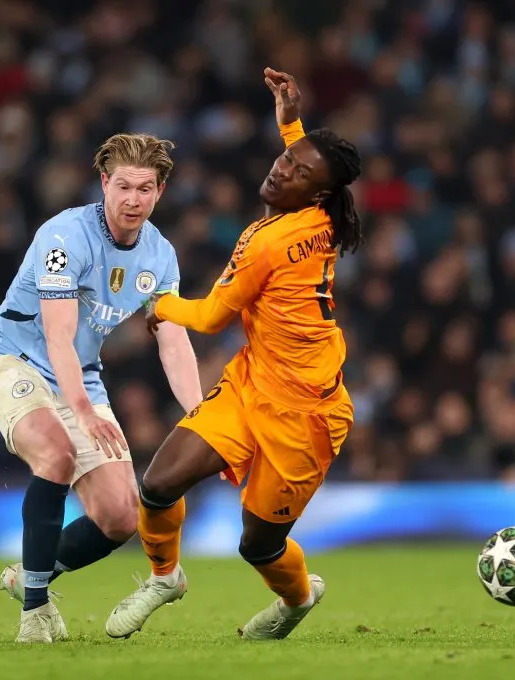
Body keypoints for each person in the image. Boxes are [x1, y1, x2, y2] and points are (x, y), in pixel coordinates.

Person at [105, 68, 362, 641]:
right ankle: (164, 577)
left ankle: (297, 601)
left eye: (296, 171)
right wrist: (290, 123)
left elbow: (212, 317)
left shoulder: (268, 241)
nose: (282, 167)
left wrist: (161, 304)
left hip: (306, 415)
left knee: (259, 545)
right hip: (252, 385)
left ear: (314, 193)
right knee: (159, 484)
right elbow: (311, 165)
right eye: (286, 159)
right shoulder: (322, 212)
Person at [0, 133, 203, 643]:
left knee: (121, 517)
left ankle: (32, 575)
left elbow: (174, 345)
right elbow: (57, 334)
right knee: (54, 452)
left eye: (145, 188)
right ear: (104, 183)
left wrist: (203, 419)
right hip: (15, 361)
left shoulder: (161, 257)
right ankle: (35, 611)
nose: (133, 199)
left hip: (82, 376)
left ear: (160, 191)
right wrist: (82, 409)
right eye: (123, 186)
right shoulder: (64, 236)